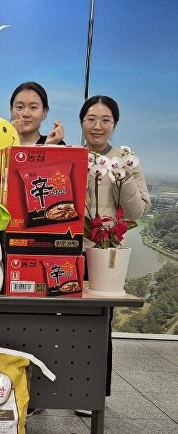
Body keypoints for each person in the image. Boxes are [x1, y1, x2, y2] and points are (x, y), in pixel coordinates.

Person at [75, 95, 151, 417]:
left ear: (114, 124)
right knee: (65, 321)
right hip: (71, 251)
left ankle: (92, 394)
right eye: (91, 119)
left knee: (100, 325)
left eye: (105, 120)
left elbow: (138, 211)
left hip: (105, 255)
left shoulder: (126, 160)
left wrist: (124, 176)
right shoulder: (72, 156)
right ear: (82, 122)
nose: (97, 126)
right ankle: (61, 388)